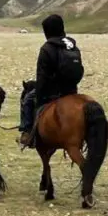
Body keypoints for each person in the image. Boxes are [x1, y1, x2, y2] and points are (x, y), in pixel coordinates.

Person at [20, 13, 84, 147]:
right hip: (71, 90)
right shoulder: (72, 46)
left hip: (52, 92)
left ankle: (27, 133)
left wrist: (40, 96)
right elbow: (79, 69)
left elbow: (42, 76)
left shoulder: (47, 48)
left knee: (27, 101)